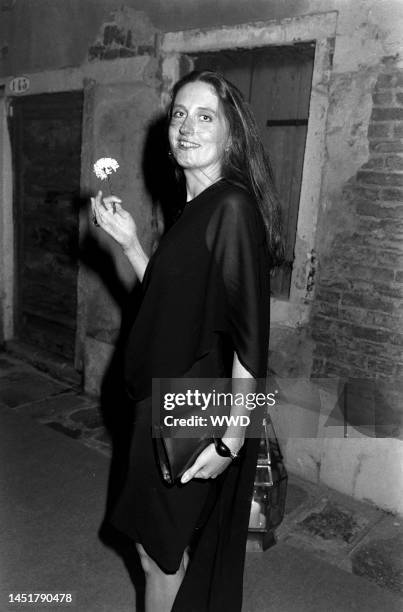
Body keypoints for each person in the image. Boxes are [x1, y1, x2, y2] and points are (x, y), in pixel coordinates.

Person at [91, 70, 283, 612]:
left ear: (232, 136)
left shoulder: (231, 207)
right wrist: (130, 244)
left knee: (160, 551)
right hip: (167, 395)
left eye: (205, 117)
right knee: (162, 546)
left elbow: (251, 339)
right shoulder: (195, 210)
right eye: (178, 114)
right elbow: (174, 303)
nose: (186, 126)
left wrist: (233, 439)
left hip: (192, 404)